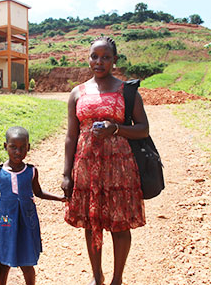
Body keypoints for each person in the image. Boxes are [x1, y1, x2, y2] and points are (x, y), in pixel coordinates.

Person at [61, 36, 149, 285]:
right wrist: (67, 174)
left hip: (119, 167)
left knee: (119, 225)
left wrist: (116, 129)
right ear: (88, 58)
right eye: (94, 56)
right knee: (91, 222)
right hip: (87, 166)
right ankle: (97, 276)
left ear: (114, 60)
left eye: (105, 57)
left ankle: (117, 279)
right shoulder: (77, 93)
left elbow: (143, 128)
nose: (99, 62)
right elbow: (71, 136)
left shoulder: (126, 91)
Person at [0, 126, 65, 285]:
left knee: (27, 263)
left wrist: (60, 198)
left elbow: (39, 192)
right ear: (6, 146)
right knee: (3, 263)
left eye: (22, 148)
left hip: (27, 222)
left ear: (28, 147)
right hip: (6, 223)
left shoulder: (31, 171)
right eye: (13, 147)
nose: (18, 152)